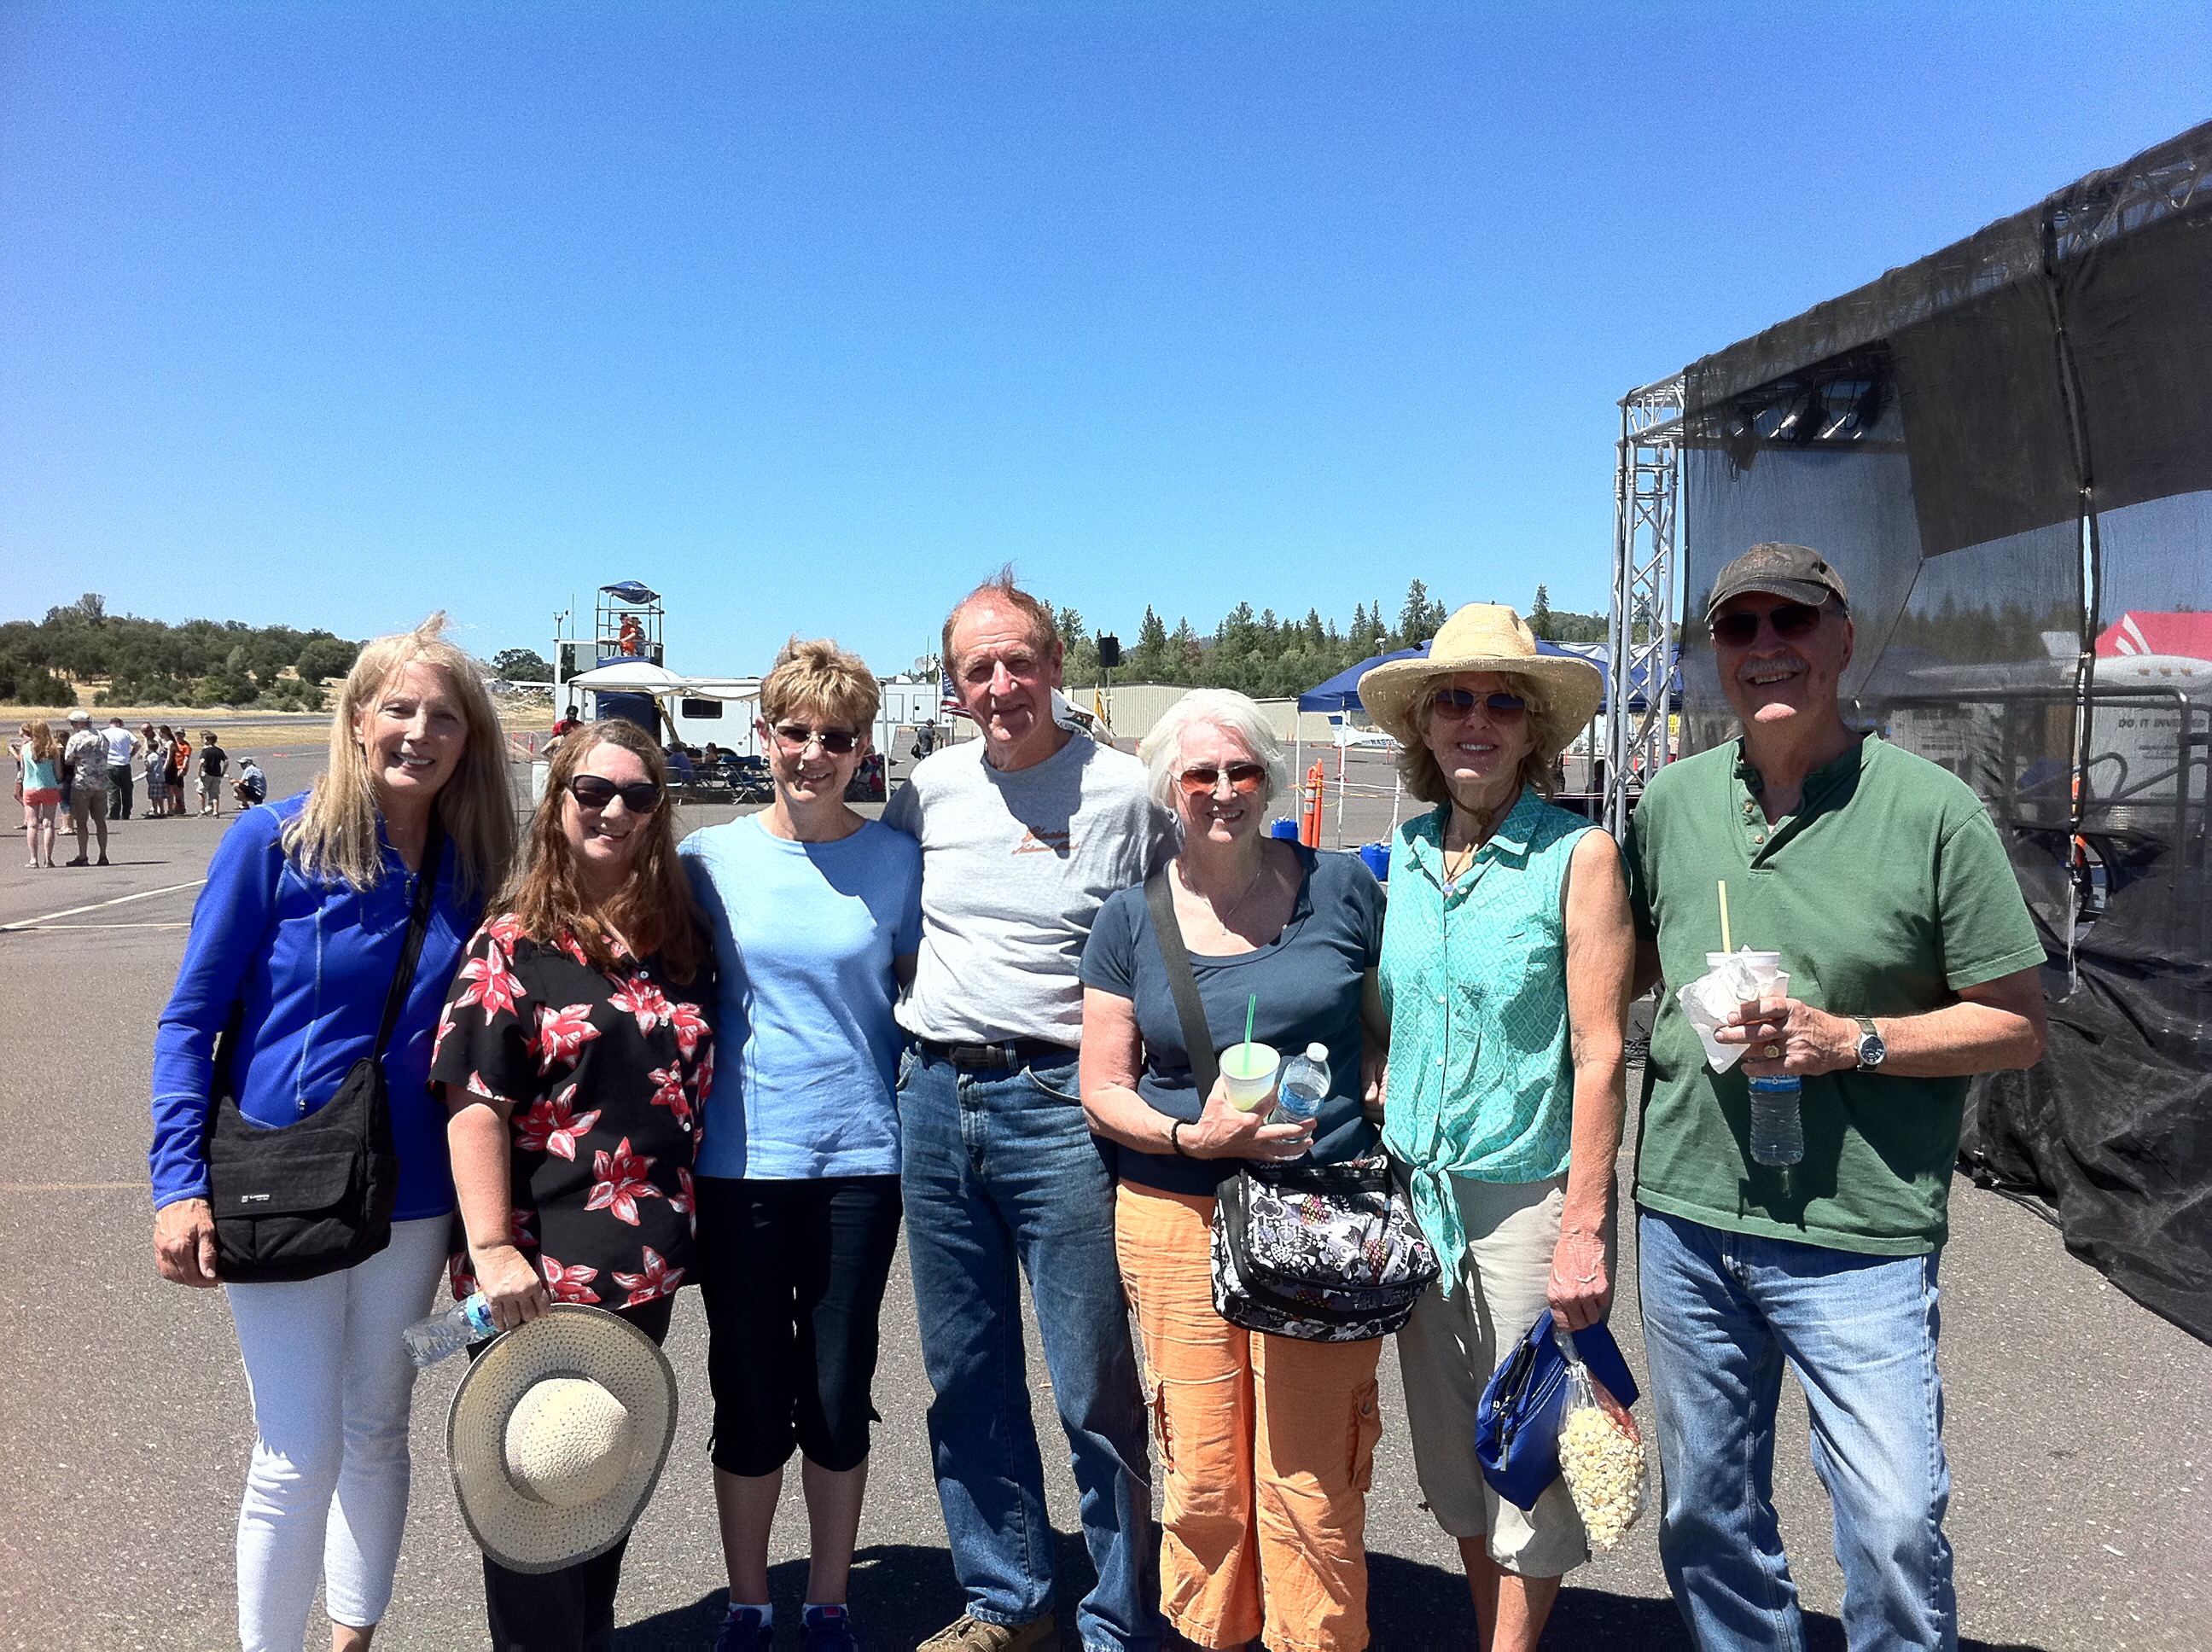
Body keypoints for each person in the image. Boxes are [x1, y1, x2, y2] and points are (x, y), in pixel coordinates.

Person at [1626, 543, 2047, 1652]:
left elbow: (2018, 1021)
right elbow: (1617, 975)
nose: (1766, 646)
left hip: (1859, 1235)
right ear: (1715, 653)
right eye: (1739, 626)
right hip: (1689, 1218)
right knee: (1705, 1516)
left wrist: (1850, 1039)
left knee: (1895, 1527)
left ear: (1844, 641)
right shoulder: (1669, 805)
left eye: (1793, 621)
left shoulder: (1932, 811)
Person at [149, 614, 515, 1652]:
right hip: (285, 1181)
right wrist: (178, 1184)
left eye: (444, 717)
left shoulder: (473, 867)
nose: (420, 732)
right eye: (399, 709)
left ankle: (353, 1641)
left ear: (470, 741)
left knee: (378, 1425)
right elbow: (190, 1021)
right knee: (297, 1448)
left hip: (416, 1196)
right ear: (357, 721)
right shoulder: (274, 845)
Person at [882, 572, 1174, 1652]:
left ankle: (1117, 1616)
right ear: (953, 686)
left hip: (1061, 1102)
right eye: (978, 668)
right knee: (965, 1374)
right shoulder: (929, 789)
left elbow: (1178, 928)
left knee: (1094, 1382)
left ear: (1055, 666)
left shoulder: (1126, 792)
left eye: (1019, 661)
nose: (1001, 684)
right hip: (933, 1093)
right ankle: (1009, 1601)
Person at [1079, 689, 1390, 1652]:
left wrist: (1377, 1079)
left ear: (1270, 779)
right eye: (1201, 774)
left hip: (1323, 1213)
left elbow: (1388, 1024)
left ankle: (1314, 1640)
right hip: (1177, 1210)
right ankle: (1213, 1636)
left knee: (1314, 1468)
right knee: (1206, 1467)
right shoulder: (1130, 920)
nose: (1223, 790)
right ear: (1168, 787)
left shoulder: (1343, 887)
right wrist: (1189, 1138)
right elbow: (1103, 1086)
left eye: (1242, 769)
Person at [1355, 606, 1630, 1652]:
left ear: (1533, 732)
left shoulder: (1578, 855)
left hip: (1524, 1198)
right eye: (1455, 700)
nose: (1477, 719)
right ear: (1425, 726)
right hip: (1418, 1200)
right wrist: (1378, 1064)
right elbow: (1390, 1008)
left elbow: (1601, 1052)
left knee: (1529, 1460)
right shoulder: (1408, 851)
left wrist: (1583, 1226)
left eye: (1502, 703)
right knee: (1460, 1465)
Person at [431, 716, 710, 1652]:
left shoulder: (675, 941)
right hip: (538, 1275)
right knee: (533, 1491)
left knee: (596, 1476)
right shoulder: (514, 945)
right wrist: (492, 1250)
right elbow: (474, 1103)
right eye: (592, 791)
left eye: (638, 795)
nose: (614, 811)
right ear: (557, 803)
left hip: (643, 1271)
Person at [680, 639, 923, 1652]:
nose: (813, 753)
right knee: (747, 1392)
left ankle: (828, 1602)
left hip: (859, 1160)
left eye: (837, 736)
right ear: (764, 735)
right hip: (739, 1164)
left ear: (863, 748)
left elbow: (919, 992)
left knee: (834, 1391)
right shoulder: (709, 861)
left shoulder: (896, 863)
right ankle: (749, 1602)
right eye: (796, 731)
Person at [62, 707, 110, 865]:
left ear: (79, 723)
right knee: (100, 821)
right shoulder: (101, 736)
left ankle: (83, 855)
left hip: (82, 783)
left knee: (81, 822)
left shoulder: (75, 739)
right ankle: (103, 855)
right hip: (101, 783)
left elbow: (68, 759)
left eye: (73, 723)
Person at [16, 720, 62, 868]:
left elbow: (23, 771)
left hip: (30, 787)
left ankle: (33, 859)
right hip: (49, 787)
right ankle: (48, 859)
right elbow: (58, 773)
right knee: (49, 824)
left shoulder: (25, 748)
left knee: (32, 824)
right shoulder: (52, 749)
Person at [102, 715, 141, 819]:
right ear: (119, 724)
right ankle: (126, 813)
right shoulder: (126, 733)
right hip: (124, 764)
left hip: (110, 763)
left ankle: (114, 814)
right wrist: (131, 755)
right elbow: (137, 745)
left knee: (113, 790)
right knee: (127, 790)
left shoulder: (103, 733)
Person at [200, 730, 230, 816]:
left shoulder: (206, 751)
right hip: (217, 774)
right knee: (214, 794)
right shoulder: (219, 751)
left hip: (207, 773)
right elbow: (226, 762)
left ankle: (202, 810)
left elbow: (202, 761)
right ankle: (215, 811)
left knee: (201, 791)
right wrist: (223, 772)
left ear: (208, 740)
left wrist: (199, 771)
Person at [143, 723, 169, 819]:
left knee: (154, 796)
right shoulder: (158, 756)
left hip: (154, 778)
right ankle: (161, 810)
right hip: (160, 778)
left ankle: (155, 810)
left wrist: (146, 767)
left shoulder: (152, 756)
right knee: (160, 796)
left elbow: (149, 766)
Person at [168, 727, 192, 816]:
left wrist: (183, 768)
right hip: (172, 767)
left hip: (179, 767)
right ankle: (178, 804)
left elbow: (186, 758)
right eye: (177, 735)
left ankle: (180, 805)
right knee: (173, 787)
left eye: (180, 735)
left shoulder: (186, 746)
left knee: (178, 787)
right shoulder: (174, 744)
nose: (178, 737)